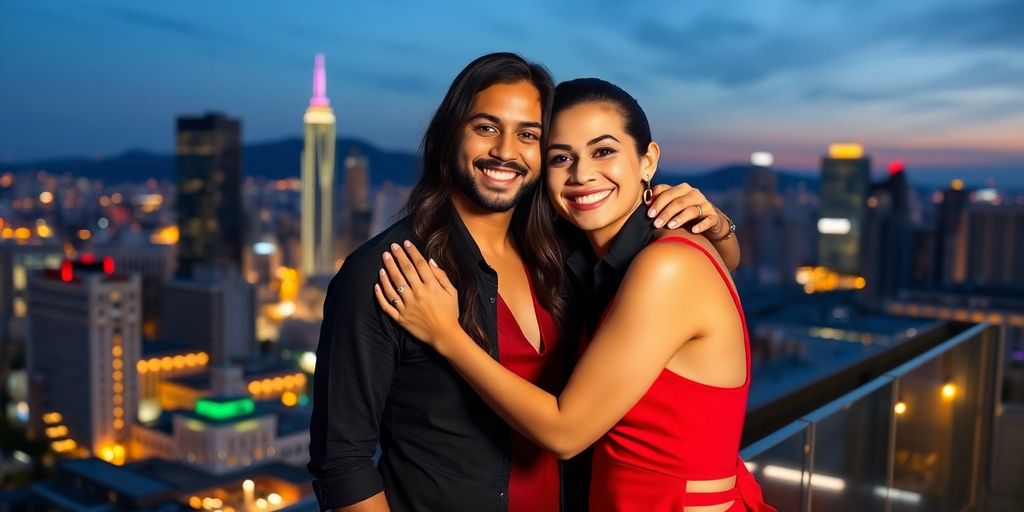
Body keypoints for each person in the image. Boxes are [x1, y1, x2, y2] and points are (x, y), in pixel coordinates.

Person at [308, 53, 740, 512]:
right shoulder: (389, 270)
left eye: (529, 135)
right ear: (449, 134)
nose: (506, 151)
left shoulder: (560, 251)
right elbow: (343, 464)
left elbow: (689, 281)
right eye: (486, 127)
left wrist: (716, 222)